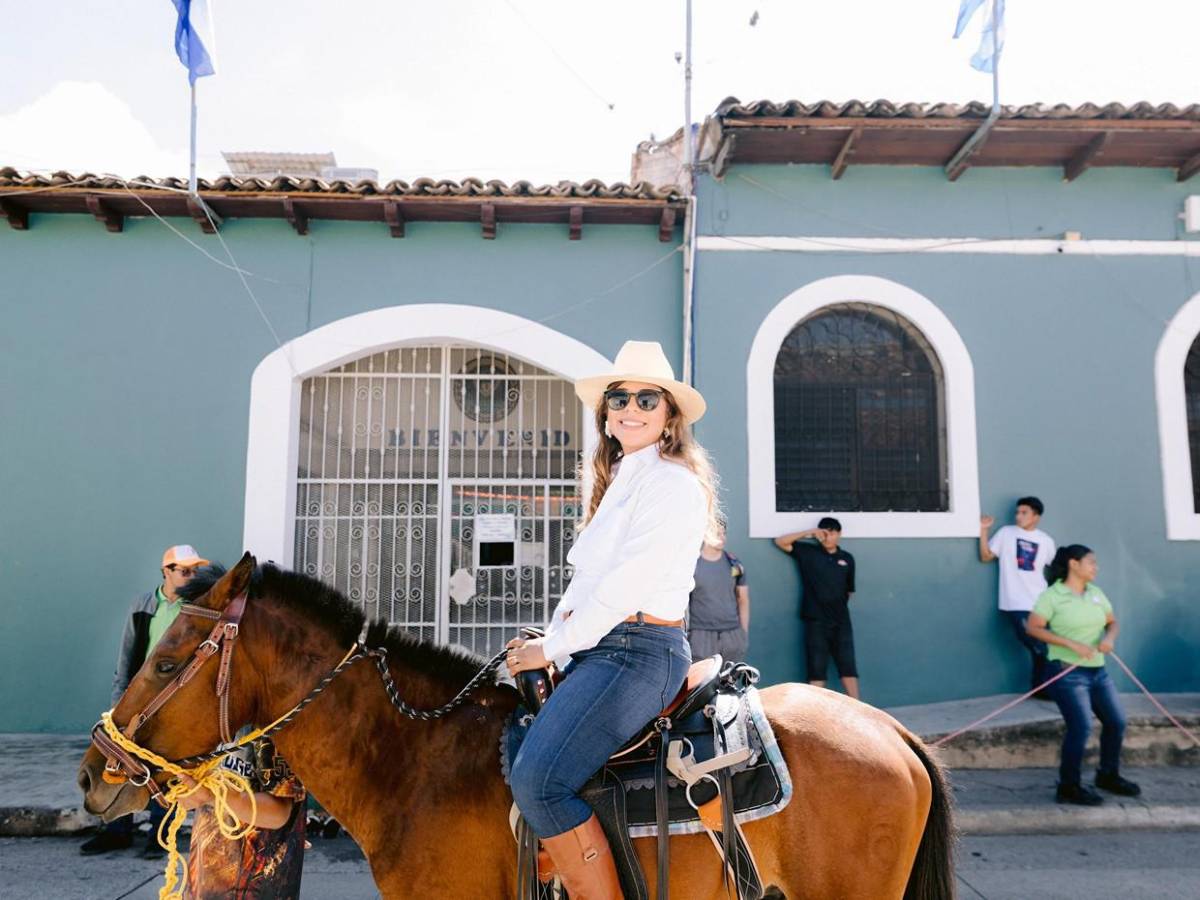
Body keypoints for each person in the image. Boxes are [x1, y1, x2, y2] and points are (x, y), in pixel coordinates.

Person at [504, 340, 717, 899]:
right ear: (605, 412)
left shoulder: (670, 482)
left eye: (649, 398)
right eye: (619, 397)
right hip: (606, 647)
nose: (631, 406)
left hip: (638, 650)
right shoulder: (624, 477)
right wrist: (555, 644)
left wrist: (549, 650)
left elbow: (624, 586)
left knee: (538, 781)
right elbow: (587, 587)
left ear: (669, 416)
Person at [81, 544, 210, 857]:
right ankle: (116, 830)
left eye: (195, 571)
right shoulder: (143, 605)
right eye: (184, 570)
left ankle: (160, 835)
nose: (191, 576)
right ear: (166, 572)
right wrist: (118, 705)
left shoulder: (195, 608)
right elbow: (127, 656)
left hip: (175, 701)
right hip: (138, 697)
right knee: (121, 763)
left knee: (163, 766)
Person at [1026, 545, 1140, 806]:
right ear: (1073, 564)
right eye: (1091, 562)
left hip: (1098, 672)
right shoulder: (1052, 596)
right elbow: (1033, 628)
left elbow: (1112, 622)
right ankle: (1068, 786)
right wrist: (1071, 644)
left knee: (1116, 721)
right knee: (1081, 727)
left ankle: (1108, 775)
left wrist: (1109, 638)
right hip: (1066, 673)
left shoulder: (1096, 593)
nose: (1096, 567)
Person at [178, 736, 307, 899]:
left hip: (257, 885)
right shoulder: (206, 725)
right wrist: (189, 794)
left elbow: (280, 812)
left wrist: (215, 795)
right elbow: (189, 796)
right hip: (204, 880)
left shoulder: (269, 726)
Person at [979, 497, 1057, 698]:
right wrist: (983, 530)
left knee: (1044, 648)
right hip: (1016, 602)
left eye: (1024, 513)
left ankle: (1042, 689)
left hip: (1041, 602)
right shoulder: (1006, 534)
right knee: (1038, 646)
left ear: (1036, 516)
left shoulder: (1046, 540)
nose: (1018, 516)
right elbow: (986, 556)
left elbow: (1055, 570)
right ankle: (1044, 689)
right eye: (1017, 512)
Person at [774, 518, 858, 699]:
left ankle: (859, 708)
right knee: (816, 668)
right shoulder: (808, 552)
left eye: (833, 533)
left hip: (841, 620)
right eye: (825, 533)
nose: (829, 537)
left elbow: (850, 591)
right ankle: (816, 710)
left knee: (848, 666)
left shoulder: (847, 559)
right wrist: (809, 532)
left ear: (839, 534)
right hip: (815, 620)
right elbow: (780, 542)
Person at [686, 524, 750, 662]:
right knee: (703, 683)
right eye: (717, 534)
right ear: (704, 535)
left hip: (732, 636)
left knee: (729, 682)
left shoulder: (734, 563)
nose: (722, 538)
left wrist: (743, 633)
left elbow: (743, 600)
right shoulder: (692, 565)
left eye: (723, 534)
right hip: (700, 637)